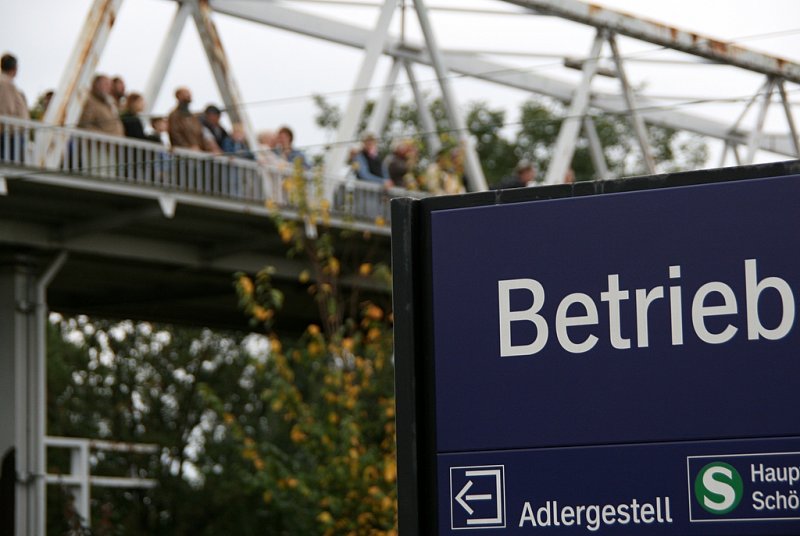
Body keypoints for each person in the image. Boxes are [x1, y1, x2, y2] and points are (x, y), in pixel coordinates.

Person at [0, 53, 30, 161]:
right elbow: (6, 108)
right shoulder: (5, 83)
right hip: (10, 135)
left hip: (10, 134)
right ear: (15, 68)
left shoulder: (6, 82)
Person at [167, 87, 216, 152]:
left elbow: (200, 134)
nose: (188, 96)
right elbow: (175, 134)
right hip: (183, 153)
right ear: (178, 96)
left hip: (197, 153)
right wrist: (188, 147)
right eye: (186, 94)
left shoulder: (193, 118)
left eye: (189, 94)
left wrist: (208, 149)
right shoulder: (174, 115)